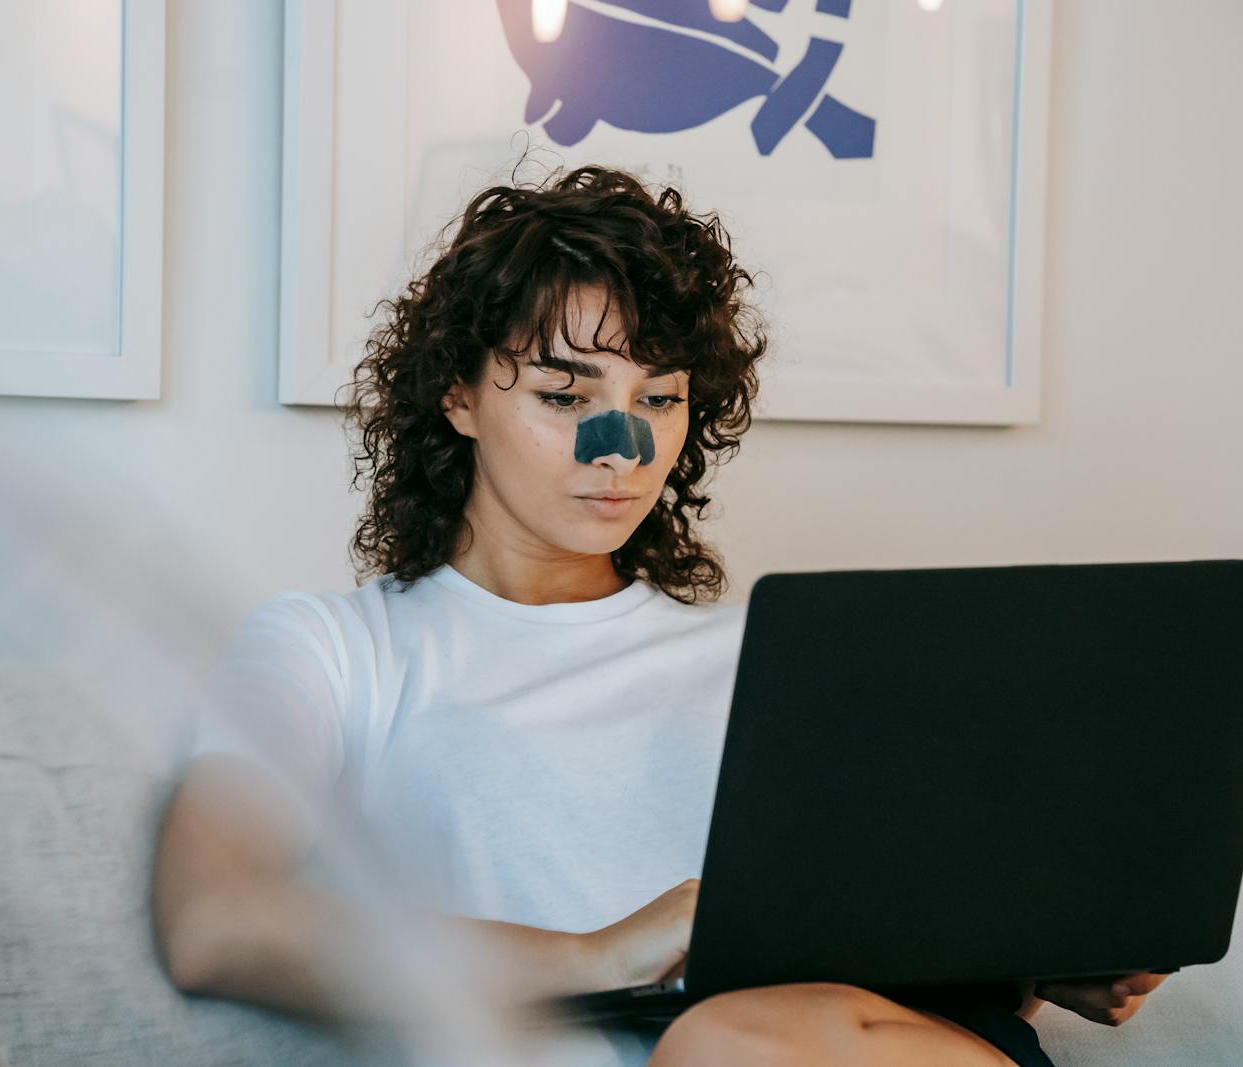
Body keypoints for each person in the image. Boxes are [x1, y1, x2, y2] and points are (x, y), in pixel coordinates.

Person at [150, 165, 1166, 1065]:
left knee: (727, 1040)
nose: (620, 447)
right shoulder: (332, 647)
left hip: (858, 1039)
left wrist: (1040, 949)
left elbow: (896, 911)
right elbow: (217, 917)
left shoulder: (773, 653)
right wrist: (599, 952)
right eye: (563, 391)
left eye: (661, 397)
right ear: (458, 395)